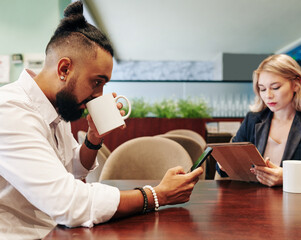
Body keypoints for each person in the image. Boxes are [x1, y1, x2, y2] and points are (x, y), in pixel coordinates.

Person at [0, 1, 203, 239]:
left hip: (54, 230)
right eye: (97, 82)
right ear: (64, 69)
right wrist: (156, 195)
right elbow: (68, 204)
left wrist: (94, 140)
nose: (99, 96)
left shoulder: (57, 107)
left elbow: (72, 173)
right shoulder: (10, 111)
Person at [216, 54, 301, 187]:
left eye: (275, 87)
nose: (268, 95)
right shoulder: (253, 119)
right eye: (262, 89)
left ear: (296, 84)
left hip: (297, 203)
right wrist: (225, 163)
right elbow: (223, 170)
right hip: (253, 201)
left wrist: (291, 176)